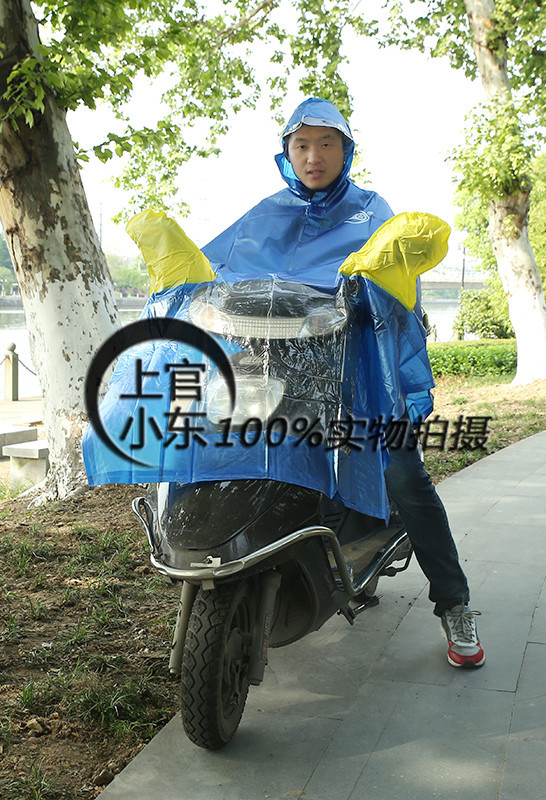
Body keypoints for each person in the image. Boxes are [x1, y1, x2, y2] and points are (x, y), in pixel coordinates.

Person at [201, 97, 485, 669]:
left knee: (404, 474)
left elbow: (397, 281)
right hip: (278, 372)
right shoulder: (264, 214)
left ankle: (454, 603)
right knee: (222, 445)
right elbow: (215, 271)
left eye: (326, 144)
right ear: (285, 153)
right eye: (301, 145)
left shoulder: (370, 209)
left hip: (357, 372)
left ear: (345, 150)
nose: (313, 156)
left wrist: (366, 293)